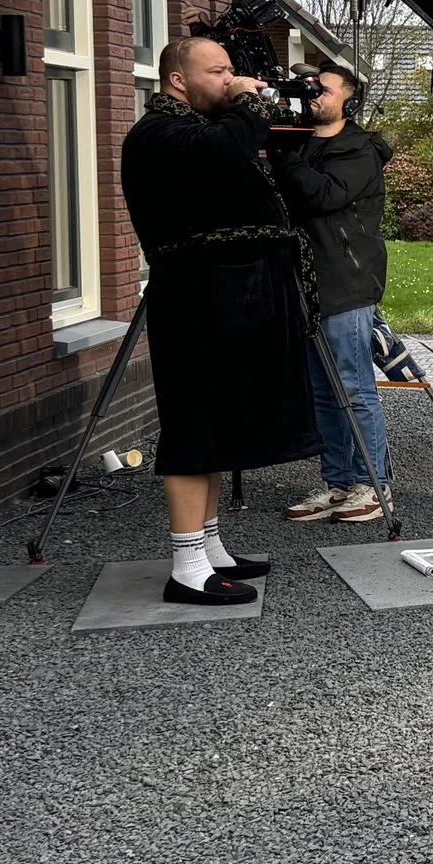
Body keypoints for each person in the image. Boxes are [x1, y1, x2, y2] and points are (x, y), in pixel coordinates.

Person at [119, 38, 320, 605]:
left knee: (220, 426)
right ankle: (186, 565)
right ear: (178, 80)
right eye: (219, 71)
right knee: (194, 426)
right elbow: (225, 151)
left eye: (234, 70)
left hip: (226, 300)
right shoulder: (159, 134)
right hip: (195, 301)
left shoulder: (196, 131)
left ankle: (209, 548)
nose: (233, 80)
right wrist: (247, 101)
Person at [271, 65, 395, 525]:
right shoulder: (297, 143)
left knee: (353, 386)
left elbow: (322, 195)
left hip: (344, 281)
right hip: (301, 280)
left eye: (322, 89)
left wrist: (282, 151)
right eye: (309, 89)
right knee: (322, 390)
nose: (313, 96)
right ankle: (339, 483)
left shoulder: (359, 150)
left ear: (348, 100)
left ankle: (374, 483)